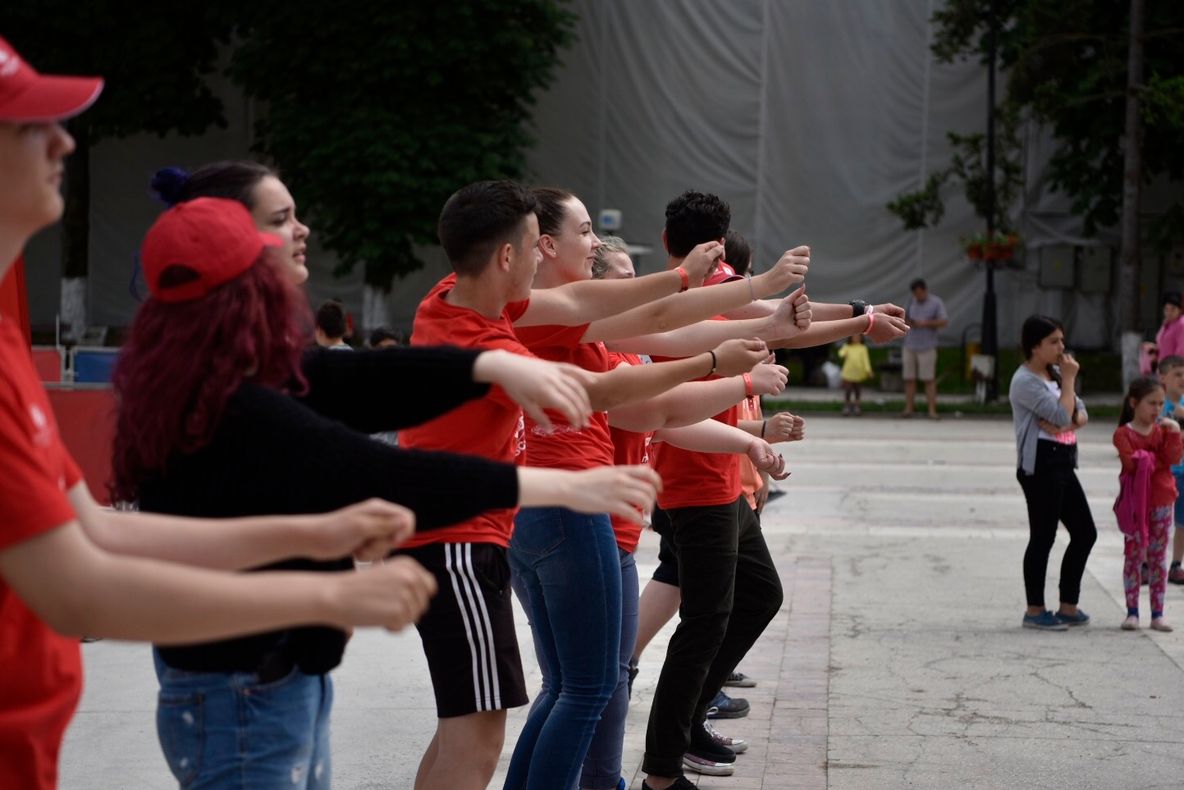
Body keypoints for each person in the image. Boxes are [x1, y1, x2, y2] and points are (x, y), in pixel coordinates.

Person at [0, 35, 443, 790]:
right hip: (238, 688)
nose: (63, 142)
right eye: (26, 125)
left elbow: (100, 529)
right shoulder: (214, 384)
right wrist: (331, 591)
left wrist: (321, 535)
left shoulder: (10, 342)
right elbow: (76, 589)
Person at [113, 197, 662, 790]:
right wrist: (560, 481)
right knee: (480, 737)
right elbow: (381, 466)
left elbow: (374, 382)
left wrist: (488, 369)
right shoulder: (234, 396)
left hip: (269, 680)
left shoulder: (248, 375)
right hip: (245, 687)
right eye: (280, 220)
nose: (302, 229)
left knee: (483, 731)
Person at [1008, 315, 1096, 632]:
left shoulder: (1054, 373)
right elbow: (1061, 413)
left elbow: (1079, 412)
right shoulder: (1025, 381)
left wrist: (1070, 420)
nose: (1062, 348)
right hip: (1040, 466)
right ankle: (1035, 610)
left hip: (1063, 461)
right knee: (1043, 537)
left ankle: (1068, 605)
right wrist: (1069, 386)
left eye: (1062, 340)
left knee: (1085, 533)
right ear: (1035, 346)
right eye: (1054, 342)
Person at [1114, 377, 1182, 631]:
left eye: (1161, 404)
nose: (1157, 409)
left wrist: (1175, 432)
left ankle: (1157, 614)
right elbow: (1132, 464)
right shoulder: (1123, 434)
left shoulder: (1164, 431)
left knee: (1157, 557)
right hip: (1135, 505)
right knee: (1133, 556)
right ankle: (1132, 611)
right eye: (1151, 403)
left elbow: (1173, 458)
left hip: (1162, 500)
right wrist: (1154, 458)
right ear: (1134, 403)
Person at [900, 278, 947, 419]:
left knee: (929, 379)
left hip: (927, 346)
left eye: (920, 293)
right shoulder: (910, 302)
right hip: (910, 345)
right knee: (909, 378)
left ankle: (932, 410)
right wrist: (909, 322)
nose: (918, 296)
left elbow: (944, 321)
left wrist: (925, 323)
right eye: (915, 294)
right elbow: (903, 319)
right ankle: (909, 408)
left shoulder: (936, 302)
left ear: (925, 290)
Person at [1158, 355, 1184, 584]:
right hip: (1162, 472)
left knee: (1182, 521)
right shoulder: (1156, 405)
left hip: (1183, 472)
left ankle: (1176, 564)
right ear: (1163, 377)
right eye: (1177, 374)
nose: (1182, 379)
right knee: (1157, 520)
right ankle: (1149, 563)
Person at [1141, 292, 1184, 374]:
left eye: (1173, 309)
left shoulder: (1181, 324)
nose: (1169, 312)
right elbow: (1164, 345)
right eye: (1166, 309)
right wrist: (1154, 348)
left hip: (1174, 370)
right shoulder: (1166, 324)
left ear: (1179, 310)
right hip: (1163, 368)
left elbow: (1181, 351)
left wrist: (1174, 370)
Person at [838, 333, 873, 416]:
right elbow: (841, 353)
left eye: (858, 337)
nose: (856, 339)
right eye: (854, 337)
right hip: (848, 372)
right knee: (848, 390)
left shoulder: (863, 348)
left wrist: (868, 371)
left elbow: (866, 361)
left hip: (859, 373)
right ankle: (846, 406)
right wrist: (844, 354)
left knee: (857, 390)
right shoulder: (847, 346)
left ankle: (857, 406)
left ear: (861, 338)